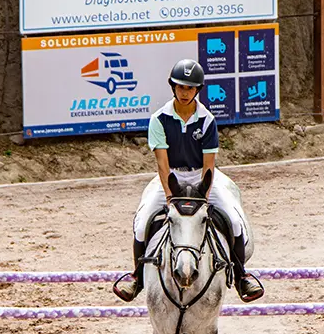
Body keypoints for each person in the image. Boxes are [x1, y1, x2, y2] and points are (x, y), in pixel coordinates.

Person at [113, 58, 265, 303]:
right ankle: (137, 277)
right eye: (181, 87)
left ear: (197, 90)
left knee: (234, 221)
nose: (185, 93)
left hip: (201, 176)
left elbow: (209, 166)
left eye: (190, 88)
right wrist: (171, 197)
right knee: (142, 223)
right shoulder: (159, 119)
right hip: (171, 176)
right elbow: (162, 165)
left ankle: (240, 277)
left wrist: (203, 198)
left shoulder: (206, 120)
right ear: (173, 87)